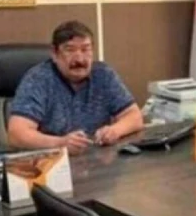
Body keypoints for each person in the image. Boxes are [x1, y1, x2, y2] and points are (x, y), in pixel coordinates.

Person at [8, 21, 144, 153]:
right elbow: (17, 134)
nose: (79, 59)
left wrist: (115, 131)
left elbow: (134, 117)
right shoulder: (38, 79)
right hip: (53, 161)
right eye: (70, 50)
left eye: (85, 49)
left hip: (96, 160)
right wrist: (60, 143)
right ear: (54, 54)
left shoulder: (103, 74)